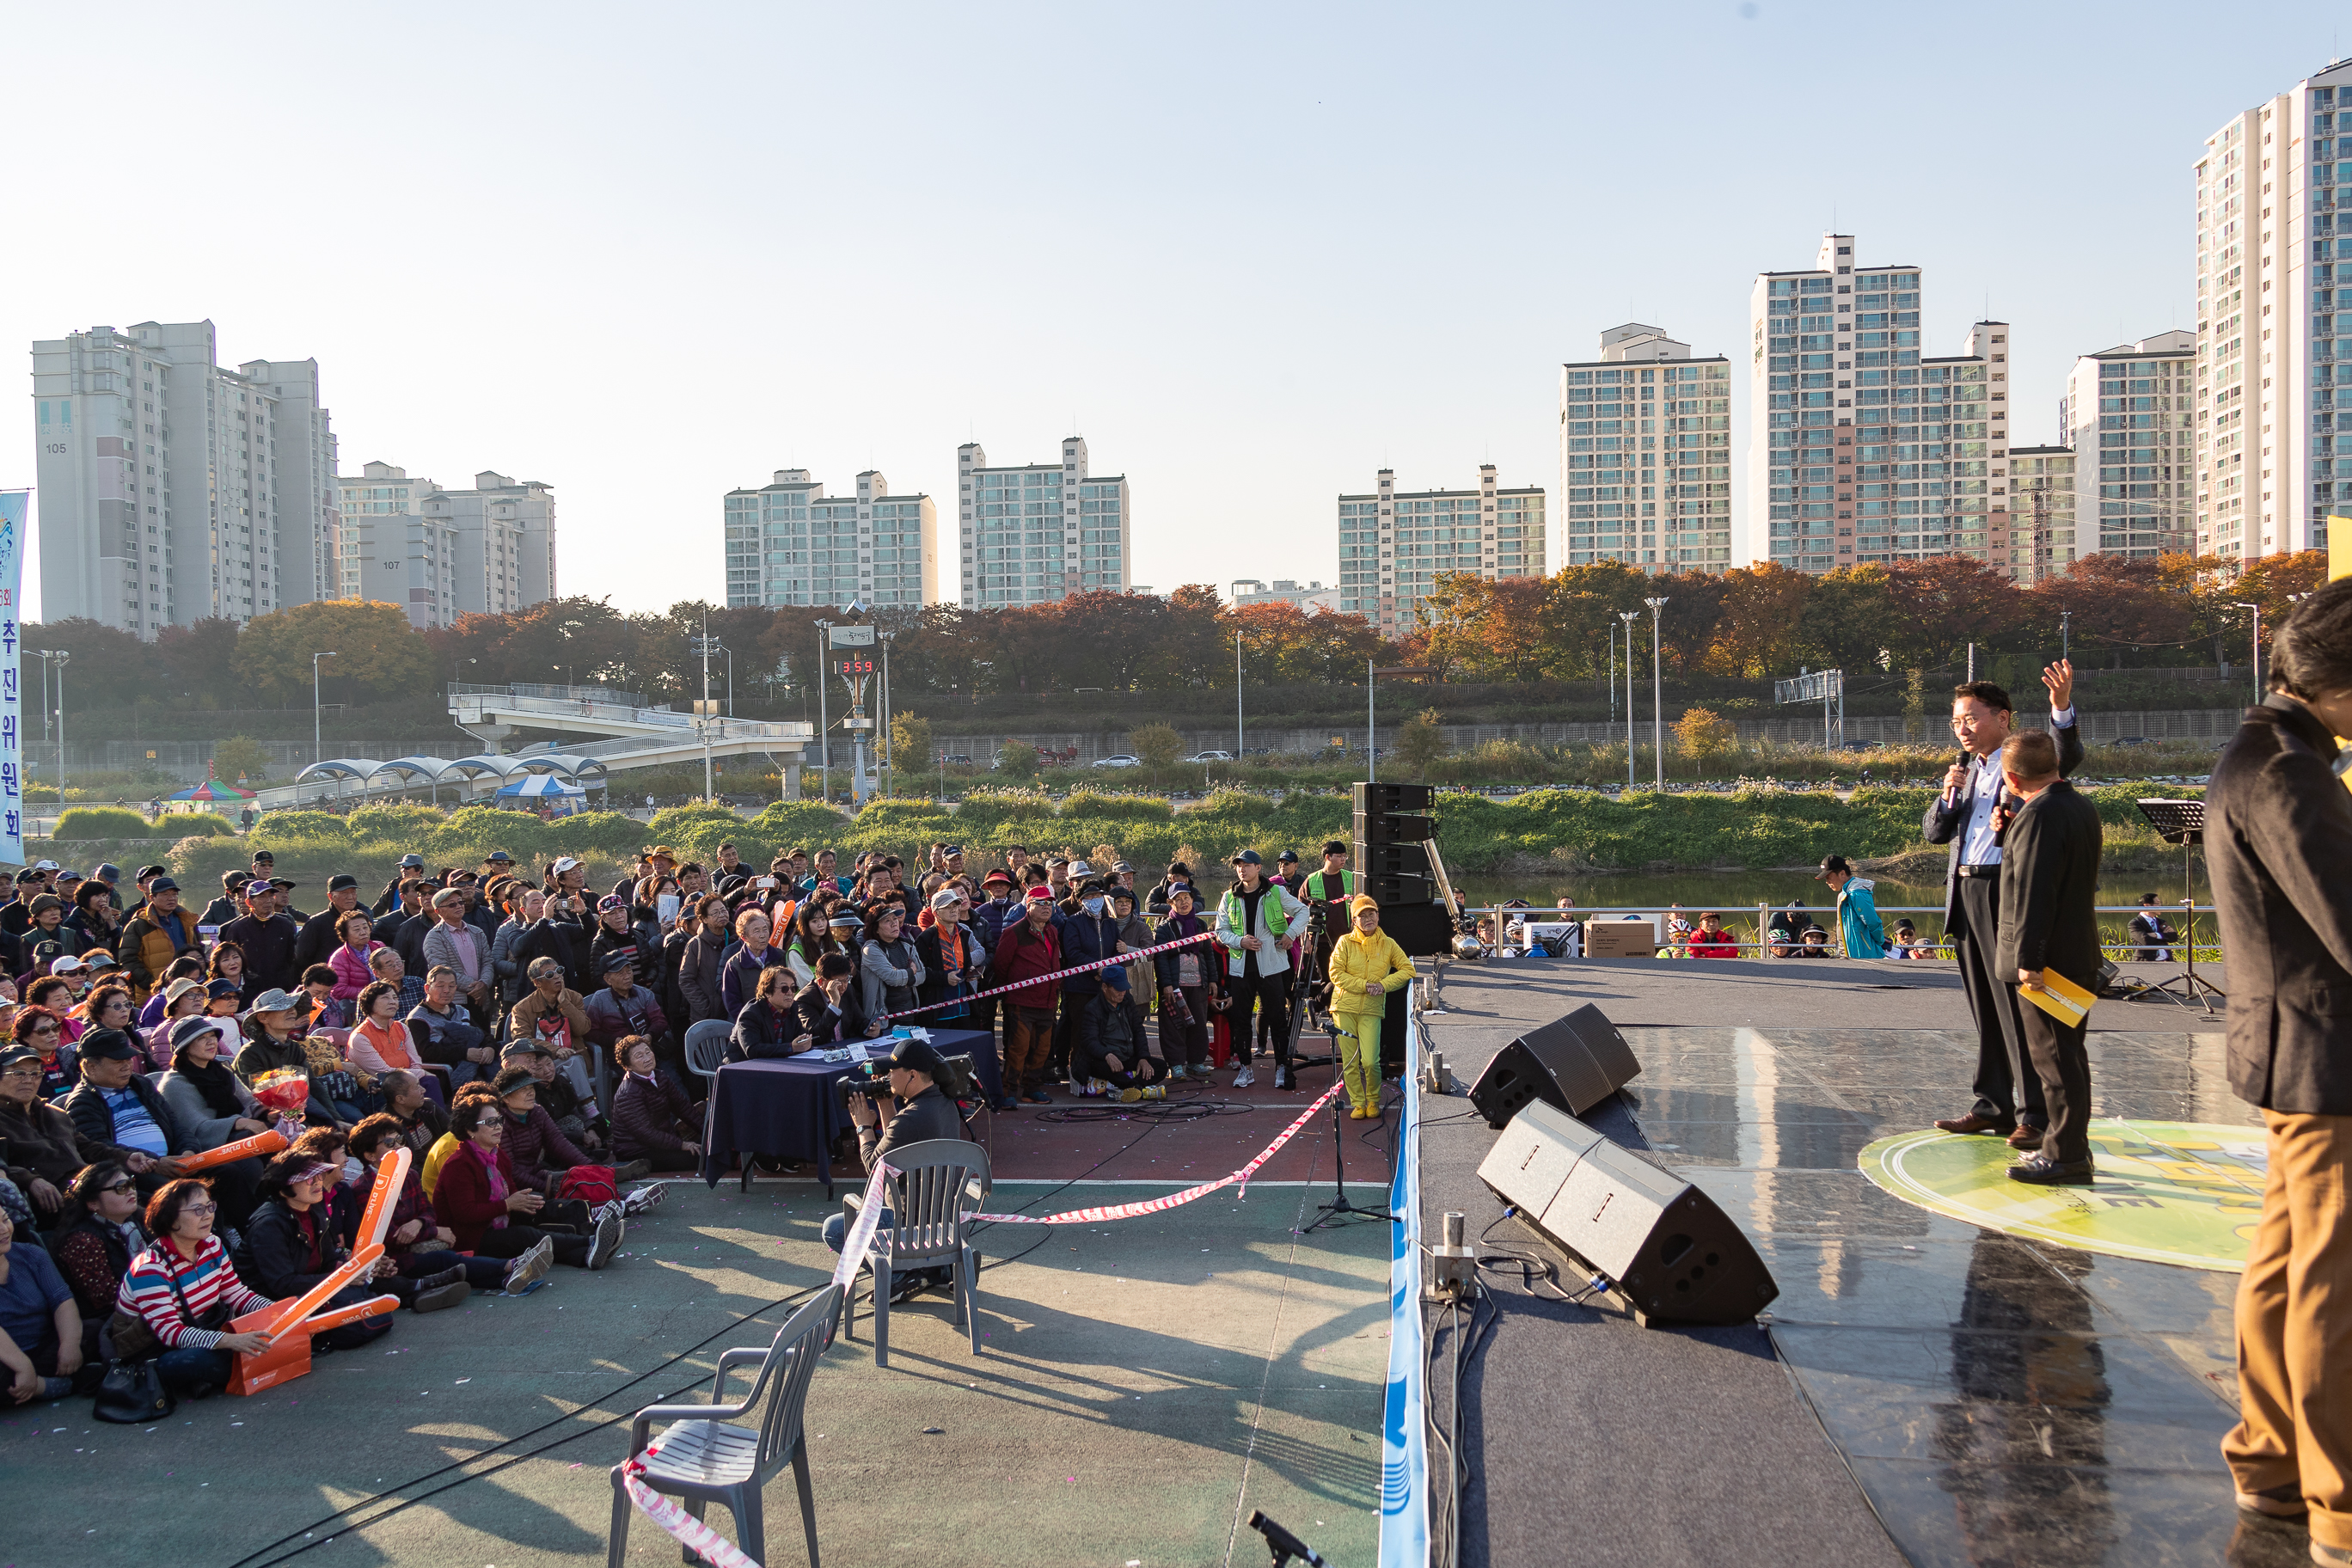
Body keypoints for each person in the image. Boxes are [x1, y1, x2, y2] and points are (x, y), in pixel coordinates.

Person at [2199, 581, 2352, 1547]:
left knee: (2287, 1263)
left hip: (2289, 1049)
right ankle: (2340, 1500)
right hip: (2330, 1055)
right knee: (2335, 1283)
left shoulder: (2257, 753)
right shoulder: (2292, 772)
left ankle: (2269, 1457)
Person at [1923, 664, 2083, 1149]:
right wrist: (1949, 794)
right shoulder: (1964, 770)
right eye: (1956, 721)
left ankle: (2033, 1114)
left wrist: (2061, 707)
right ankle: (1992, 1105)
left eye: (1971, 718)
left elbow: (2065, 754)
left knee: (2018, 1009)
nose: (1963, 729)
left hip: (2004, 891)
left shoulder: (2026, 761)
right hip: (1966, 892)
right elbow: (1934, 832)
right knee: (1985, 1009)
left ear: (2003, 718)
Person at [1991, 731, 2104, 1185]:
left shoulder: (2040, 816)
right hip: (2076, 954)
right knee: (2067, 1057)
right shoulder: (2076, 805)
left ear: (2012, 777)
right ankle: (2070, 1146)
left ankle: (2066, 1154)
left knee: (2055, 1062)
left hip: (2049, 964)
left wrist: (2030, 961)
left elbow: (2035, 896)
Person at [114, 1177, 280, 1401]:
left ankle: (217, 1374)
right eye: (198, 1210)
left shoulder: (213, 1244)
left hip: (202, 1332)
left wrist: (283, 1312)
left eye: (210, 1206)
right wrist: (233, 1342)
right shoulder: (149, 1268)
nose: (209, 1215)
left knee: (274, 1336)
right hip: (156, 1350)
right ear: (171, 1219)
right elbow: (170, 1333)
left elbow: (238, 1295)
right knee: (197, 1361)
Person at [827, 1036, 965, 1297]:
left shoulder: (910, 1119)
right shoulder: (944, 1105)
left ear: (912, 1075)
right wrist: (885, 1104)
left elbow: (874, 1167)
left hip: (909, 1222)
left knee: (833, 1229)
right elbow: (897, 1149)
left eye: (892, 1071)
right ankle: (939, 1267)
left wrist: (863, 1127)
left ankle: (904, 1275)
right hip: (942, 1223)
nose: (887, 1077)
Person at [433, 1095, 618, 1272]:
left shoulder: (497, 1154)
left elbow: (511, 1189)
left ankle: (590, 1240)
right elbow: (465, 1214)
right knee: (524, 1236)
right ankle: (591, 1242)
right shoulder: (459, 1165)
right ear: (470, 1130)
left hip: (498, 1220)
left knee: (543, 1207)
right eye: (491, 1123)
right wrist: (509, 1204)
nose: (499, 1127)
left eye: (499, 1120)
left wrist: (523, 1201)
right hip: (471, 1237)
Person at [346, 1112, 516, 1302]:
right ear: (370, 1156)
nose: (399, 1147)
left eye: (400, 1140)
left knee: (448, 1263)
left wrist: (419, 1223)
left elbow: (428, 1210)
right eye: (389, 1143)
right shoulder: (365, 1188)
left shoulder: (408, 1174)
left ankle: (505, 1280)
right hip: (391, 1260)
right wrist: (434, 1231)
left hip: (418, 1246)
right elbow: (389, 1236)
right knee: (444, 1260)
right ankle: (512, 1266)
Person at [240, 1151, 407, 1337]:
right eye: (309, 1179)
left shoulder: (315, 1208)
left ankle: (414, 1288)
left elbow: (328, 1257)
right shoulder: (269, 1224)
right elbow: (282, 1284)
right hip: (272, 1302)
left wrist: (356, 1266)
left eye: (319, 1175)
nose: (319, 1182)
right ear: (283, 1189)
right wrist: (340, 1279)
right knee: (355, 1305)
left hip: (310, 1287)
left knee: (367, 1281)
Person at [1215, 850, 1309, 1090]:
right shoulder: (1229, 897)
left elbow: (1303, 911)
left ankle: (1281, 1067)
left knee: (1278, 1018)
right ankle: (1246, 1069)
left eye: (1246, 865)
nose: (1241, 869)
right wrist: (1240, 942)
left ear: (1258, 868)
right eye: (1238, 865)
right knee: (1241, 1020)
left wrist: (1290, 934)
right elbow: (1220, 931)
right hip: (1241, 968)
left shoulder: (1275, 892)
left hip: (1272, 966)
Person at [0, 1042, 117, 1228]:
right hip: (51, 1199)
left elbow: (87, 1147)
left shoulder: (55, 1114)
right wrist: (29, 1179)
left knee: (147, 1196)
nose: (29, 1080)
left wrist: (129, 1157)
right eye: (18, 1073)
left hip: (87, 1182)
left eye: (35, 1074)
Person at [50, 1162, 150, 1337]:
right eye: (121, 1187)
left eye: (131, 1183)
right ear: (92, 1203)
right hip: (113, 1323)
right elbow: (107, 1298)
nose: (130, 1191)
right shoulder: (82, 1240)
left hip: (151, 1303)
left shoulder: (137, 1221)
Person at [0, 1204, 87, 1403]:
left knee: (94, 1332)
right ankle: (42, 1387)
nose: (4, 1230)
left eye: (5, 1220)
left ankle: (38, 1381)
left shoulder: (31, 1255)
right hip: (5, 1359)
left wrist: (69, 1344)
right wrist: (22, 1366)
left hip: (44, 1347)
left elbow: (62, 1300)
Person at [994, 886, 1063, 1105]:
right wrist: (1013, 990)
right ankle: (1009, 1091)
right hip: (1021, 1003)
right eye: (1040, 903)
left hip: (1048, 1001)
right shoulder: (1013, 932)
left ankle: (1032, 1088)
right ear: (1028, 905)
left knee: (1042, 1049)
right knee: (1017, 1049)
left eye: (1049, 903)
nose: (1046, 907)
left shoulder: (1052, 931)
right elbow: (1000, 965)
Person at [1074, 965, 1167, 1104]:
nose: (1122, 993)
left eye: (1124, 988)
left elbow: (1138, 1030)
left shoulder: (1128, 1001)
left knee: (1160, 1067)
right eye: (1118, 989)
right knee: (1101, 1066)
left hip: (1127, 1056)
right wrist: (1107, 1055)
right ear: (1105, 988)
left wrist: (1143, 1058)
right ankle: (1136, 1088)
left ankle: (1131, 1088)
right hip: (1106, 1059)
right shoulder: (1092, 1009)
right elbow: (1090, 1041)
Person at [609, 1036, 702, 1173]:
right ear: (628, 1065)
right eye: (639, 1056)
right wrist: (681, 1144)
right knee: (701, 1158)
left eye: (648, 1052)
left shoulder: (660, 1076)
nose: (647, 1058)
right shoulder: (628, 1092)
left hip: (660, 1142)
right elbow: (645, 1133)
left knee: (710, 1147)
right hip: (637, 1150)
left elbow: (684, 1108)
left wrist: (709, 1135)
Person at [409, 965, 492, 1086]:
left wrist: (490, 1048)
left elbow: (482, 1035)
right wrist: (465, 1053)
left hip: (476, 1063)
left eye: (451, 986)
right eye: (440, 986)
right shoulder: (417, 1017)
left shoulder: (461, 1011)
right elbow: (424, 1051)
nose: (447, 990)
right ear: (427, 988)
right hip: (443, 1072)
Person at [422, 888, 494, 1026]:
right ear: (438, 911)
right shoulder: (435, 936)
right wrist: (475, 987)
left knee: (484, 1041)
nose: (459, 907)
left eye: (460, 903)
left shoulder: (477, 932)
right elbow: (441, 969)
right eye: (452, 904)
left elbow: (488, 961)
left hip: (480, 999)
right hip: (456, 1001)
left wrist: (484, 984)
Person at [219, 877, 301, 995]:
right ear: (249, 902)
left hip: (280, 987)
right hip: (250, 989)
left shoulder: (285, 924)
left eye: (270, 896)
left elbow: (291, 958)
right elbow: (232, 962)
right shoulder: (238, 928)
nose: (268, 901)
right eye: (261, 897)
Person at [585, 951, 668, 1063]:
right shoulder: (600, 999)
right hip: (620, 1055)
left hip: (649, 1048)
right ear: (608, 979)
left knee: (670, 1077)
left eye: (629, 971)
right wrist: (615, 1040)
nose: (627, 976)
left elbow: (660, 1021)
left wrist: (649, 1036)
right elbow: (590, 1032)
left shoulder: (645, 994)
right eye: (620, 974)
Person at [914, 888, 976, 1023]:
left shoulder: (964, 934)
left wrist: (970, 971)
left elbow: (967, 963)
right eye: (948, 907)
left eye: (955, 905)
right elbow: (920, 971)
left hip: (963, 1005)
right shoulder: (926, 938)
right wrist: (944, 978)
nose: (954, 910)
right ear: (936, 912)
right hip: (938, 1007)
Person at [793, 952, 879, 1049]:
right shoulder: (805, 999)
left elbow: (860, 1022)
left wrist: (872, 1029)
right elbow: (816, 1037)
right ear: (821, 981)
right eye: (837, 982)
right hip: (821, 1053)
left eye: (846, 980)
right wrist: (834, 1004)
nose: (843, 987)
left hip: (845, 1048)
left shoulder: (848, 990)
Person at [730, 965, 814, 1061]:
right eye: (784, 989)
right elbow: (753, 1050)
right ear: (767, 992)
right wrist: (791, 1047)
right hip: (741, 1070)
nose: (790, 993)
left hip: (778, 1065)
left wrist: (805, 1043)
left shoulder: (792, 1008)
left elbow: (800, 1038)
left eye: (793, 988)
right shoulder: (750, 1014)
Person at [860, 902, 926, 1024]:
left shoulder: (907, 944)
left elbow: (922, 974)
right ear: (876, 929)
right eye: (887, 921)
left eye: (895, 919)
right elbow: (893, 978)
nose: (894, 923)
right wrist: (911, 971)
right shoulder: (871, 950)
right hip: (883, 1021)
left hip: (909, 1014)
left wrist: (907, 977)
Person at [675, 894, 733, 1026]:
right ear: (704, 919)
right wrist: (706, 1006)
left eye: (723, 910)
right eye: (715, 913)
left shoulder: (736, 939)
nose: (722, 914)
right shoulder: (696, 944)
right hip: (709, 1017)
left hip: (733, 1011)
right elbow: (685, 980)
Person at [1813, 855, 1887, 959]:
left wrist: (1880, 942)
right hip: (1849, 955)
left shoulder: (1856, 894)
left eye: (1829, 877)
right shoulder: (1844, 894)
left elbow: (1873, 922)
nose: (1827, 882)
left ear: (1842, 873)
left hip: (1863, 955)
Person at [718, 907, 779, 1020]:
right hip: (749, 1023)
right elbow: (732, 1003)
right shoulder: (734, 965)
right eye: (756, 931)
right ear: (744, 937)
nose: (763, 935)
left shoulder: (780, 957)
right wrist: (750, 1021)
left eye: (765, 929)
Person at [327, 910, 385, 1001]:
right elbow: (338, 990)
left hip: (384, 997)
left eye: (365, 928)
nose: (363, 932)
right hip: (354, 1003)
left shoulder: (380, 947)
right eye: (357, 929)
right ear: (345, 934)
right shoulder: (338, 958)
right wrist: (372, 993)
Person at [2128, 893, 2178, 962]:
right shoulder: (2134, 923)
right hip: (2146, 962)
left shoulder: (2161, 921)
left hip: (2167, 961)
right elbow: (2146, 941)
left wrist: (2156, 935)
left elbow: (2174, 937)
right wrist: (2164, 937)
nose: (2161, 907)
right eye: (2158, 904)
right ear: (2147, 905)